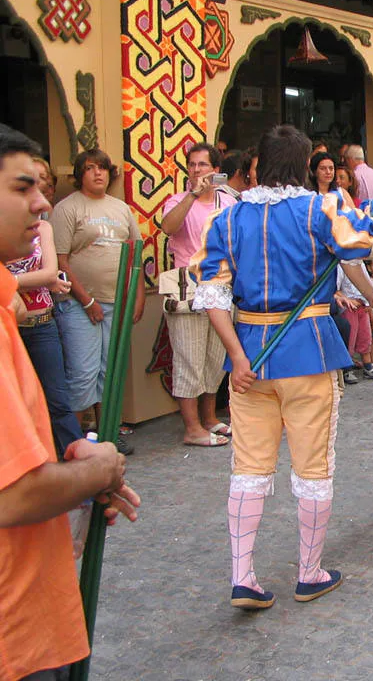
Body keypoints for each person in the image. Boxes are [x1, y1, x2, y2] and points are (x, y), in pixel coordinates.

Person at [191, 124, 373, 610]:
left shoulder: (226, 219)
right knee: (313, 466)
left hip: (249, 357)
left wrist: (239, 357)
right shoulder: (321, 208)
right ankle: (309, 571)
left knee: (247, 468)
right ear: (305, 165)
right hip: (307, 350)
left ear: (258, 165)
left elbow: (211, 295)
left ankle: (242, 575)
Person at [0, 123, 140, 681]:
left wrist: (72, 469)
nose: (40, 203)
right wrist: (98, 468)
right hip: (15, 637)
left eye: (41, 186)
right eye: (21, 187)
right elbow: (13, 496)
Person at [51, 148, 144, 454]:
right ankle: (73, 442)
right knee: (82, 373)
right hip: (79, 305)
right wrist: (86, 300)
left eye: (103, 168)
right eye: (90, 168)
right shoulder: (67, 208)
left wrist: (138, 296)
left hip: (117, 303)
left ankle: (108, 435)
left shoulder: (121, 209)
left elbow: (135, 256)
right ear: (80, 174)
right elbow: (60, 261)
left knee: (110, 371)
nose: (98, 173)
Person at [160, 142, 236, 447]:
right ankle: (191, 428)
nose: (196, 170)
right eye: (192, 165)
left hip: (222, 285)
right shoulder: (177, 200)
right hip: (188, 287)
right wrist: (192, 195)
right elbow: (168, 227)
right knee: (189, 356)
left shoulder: (228, 202)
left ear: (216, 170)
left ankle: (208, 419)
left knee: (214, 357)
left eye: (202, 165)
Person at [6, 157, 84, 455]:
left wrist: (13, 280)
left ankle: (79, 471)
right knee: (19, 405)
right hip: (12, 325)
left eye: (41, 182)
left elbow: (50, 273)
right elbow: (45, 276)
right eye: (26, 184)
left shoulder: (43, 229)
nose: (39, 197)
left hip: (42, 324)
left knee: (57, 401)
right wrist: (31, 280)